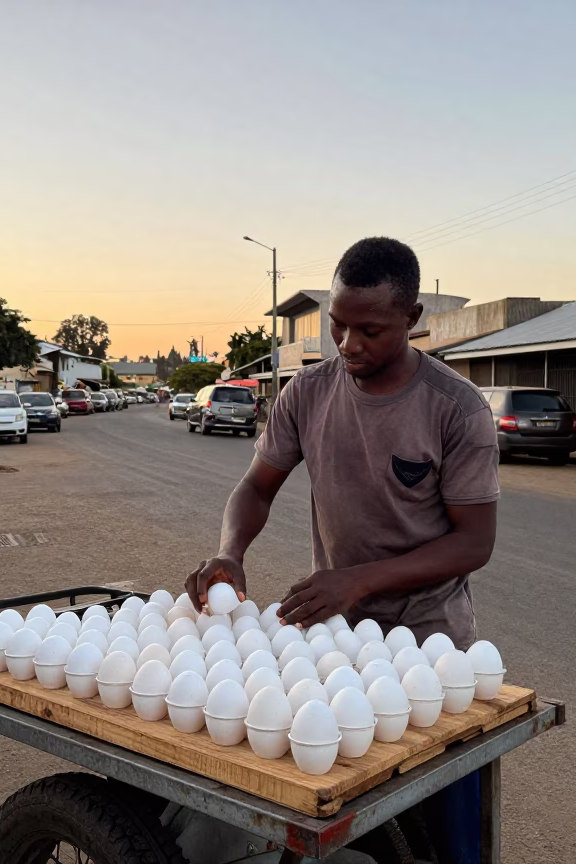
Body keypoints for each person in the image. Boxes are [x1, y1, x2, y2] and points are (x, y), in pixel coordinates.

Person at [186, 238, 498, 862]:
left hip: (429, 645)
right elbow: (255, 486)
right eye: (338, 325)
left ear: (412, 319)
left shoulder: (454, 409)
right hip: (334, 641)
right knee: (327, 802)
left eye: (370, 329)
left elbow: (474, 542)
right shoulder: (308, 394)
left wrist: (357, 579)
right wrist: (231, 551)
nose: (349, 344)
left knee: (445, 822)